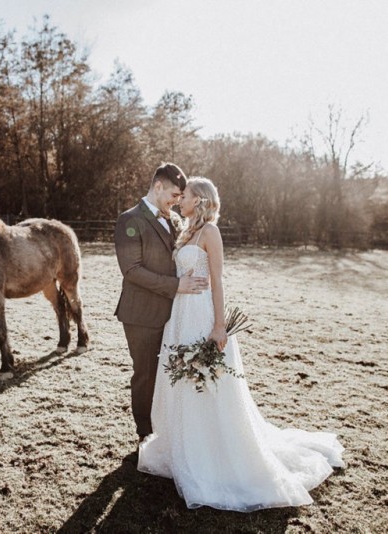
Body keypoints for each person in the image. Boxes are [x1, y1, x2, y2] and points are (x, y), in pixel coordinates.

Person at [137, 177, 345, 511]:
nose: (180, 199)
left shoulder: (210, 233)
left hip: (202, 314)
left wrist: (219, 326)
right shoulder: (186, 230)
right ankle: (187, 445)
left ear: (200, 200)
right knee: (182, 379)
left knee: (207, 384)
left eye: (185, 195)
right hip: (180, 315)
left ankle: (214, 453)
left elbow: (217, 280)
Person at [114, 163, 209, 445]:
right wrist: (176, 285)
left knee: (170, 372)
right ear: (158, 187)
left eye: (181, 197)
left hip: (175, 312)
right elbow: (131, 270)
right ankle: (145, 433)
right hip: (141, 314)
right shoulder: (129, 220)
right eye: (174, 194)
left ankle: (168, 429)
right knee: (145, 374)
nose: (177, 201)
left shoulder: (175, 221)